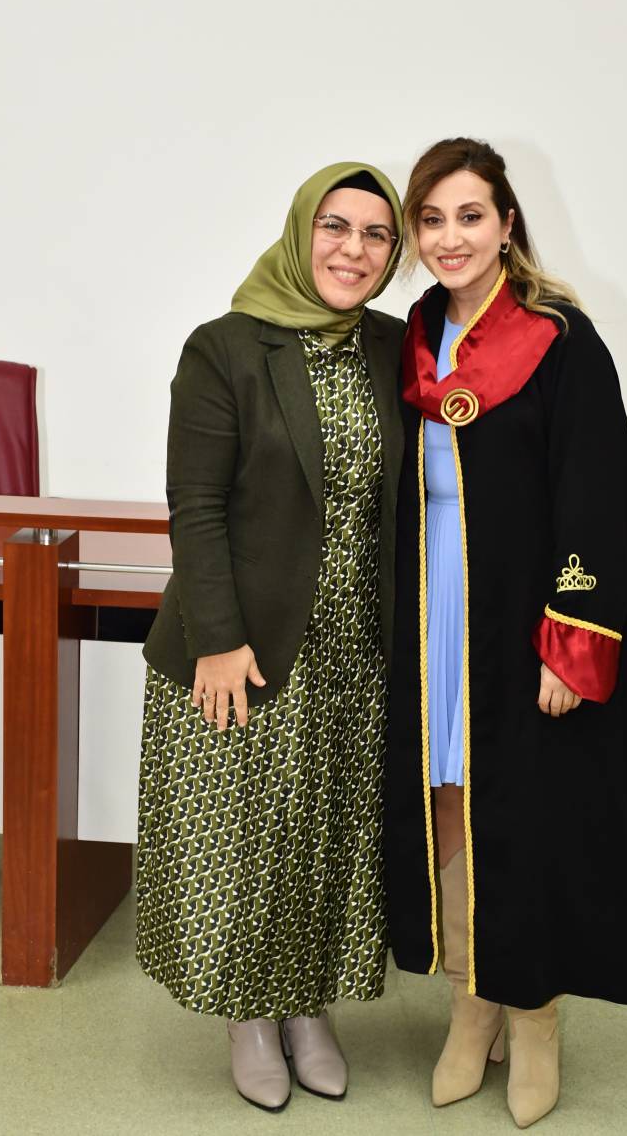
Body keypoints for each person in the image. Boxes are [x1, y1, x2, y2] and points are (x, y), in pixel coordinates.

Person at [384, 138, 627, 1129]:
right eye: (432, 219)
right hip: (435, 616)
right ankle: (472, 1003)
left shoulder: (559, 338)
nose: (450, 237)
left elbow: (599, 491)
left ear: (505, 225)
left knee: (528, 816)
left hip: (523, 615)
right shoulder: (413, 338)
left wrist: (571, 639)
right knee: (449, 807)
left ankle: (534, 1016)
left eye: (470, 216)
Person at [138, 162, 405, 1113]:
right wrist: (217, 637)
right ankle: (249, 1016)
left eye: (376, 234)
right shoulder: (226, 347)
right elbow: (194, 503)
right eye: (335, 226)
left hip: (354, 650)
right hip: (244, 647)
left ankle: (307, 1007)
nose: (353, 249)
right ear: (301, 231)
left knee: (327, 839)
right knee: (248, 844)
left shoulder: (393, 346)